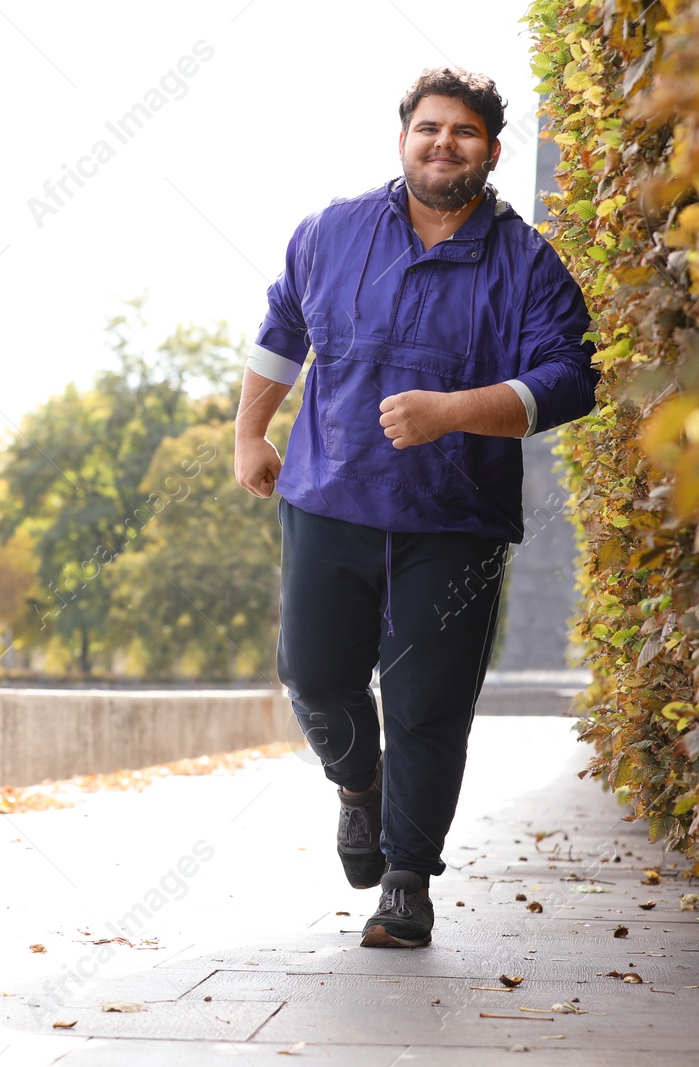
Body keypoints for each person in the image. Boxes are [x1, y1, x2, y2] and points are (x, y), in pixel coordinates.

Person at [233, 66, 599, 948]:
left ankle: (406, 881)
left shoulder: (530, 265)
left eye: (464, 132)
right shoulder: (331, 231)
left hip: (455, 519)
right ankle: (358, 785)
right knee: (314, 676)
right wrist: (250, 434)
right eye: (430, 128)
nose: (445, 144)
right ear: (404, 140)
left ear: (492, 151)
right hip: (329, 499)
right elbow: (282, 330)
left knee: (429, 703)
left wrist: (454, 411)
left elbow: (572, 377)